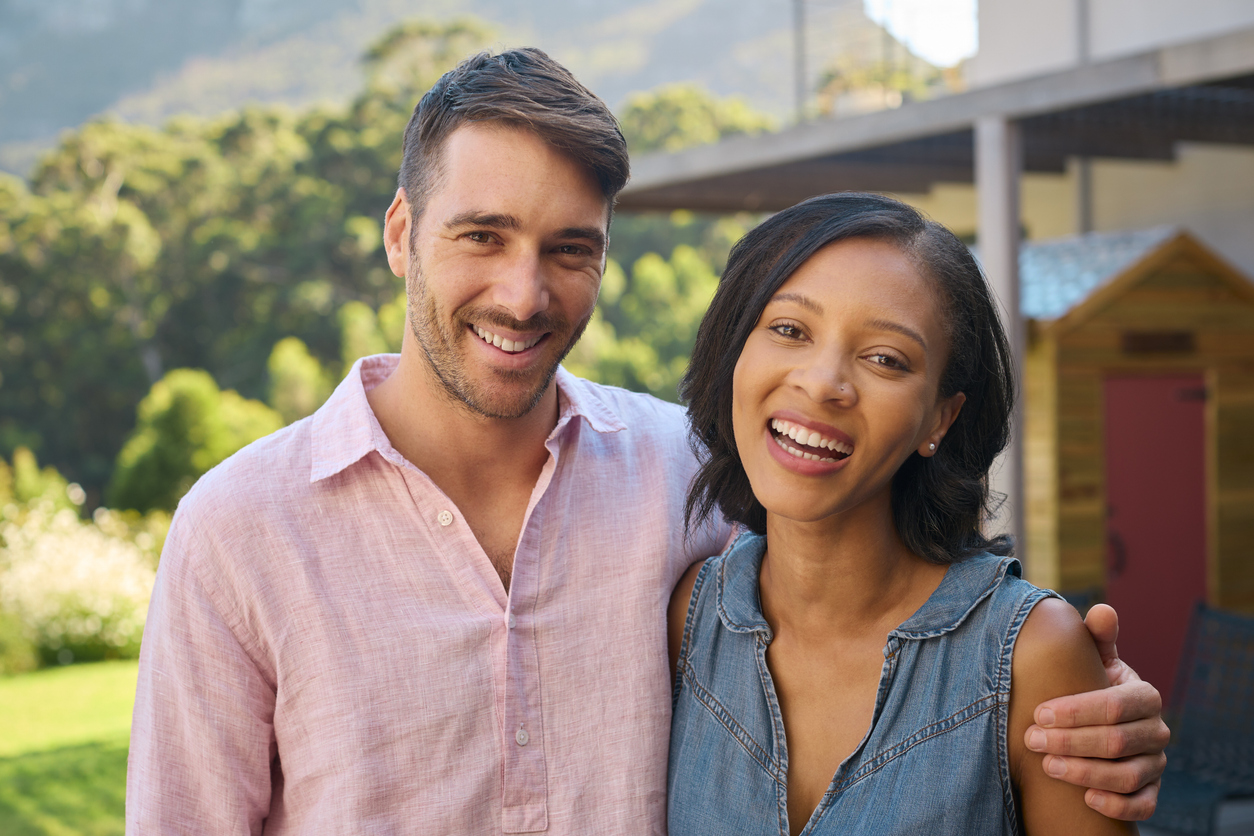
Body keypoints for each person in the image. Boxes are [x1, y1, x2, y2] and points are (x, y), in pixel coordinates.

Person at [128, 49, 1167, 834]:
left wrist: (1085, 696)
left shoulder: (690, 475)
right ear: (402, 231)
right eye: (481, 234)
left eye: (569, 249)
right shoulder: (238, 529)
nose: (524, 292)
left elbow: (884, 588)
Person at [668, 192, 1144, 834]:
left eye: (886, 359)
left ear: (939, 419)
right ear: (736, 351)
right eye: (789, 330)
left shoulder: (1031, 655)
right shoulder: (690, 621)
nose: (822, 383)